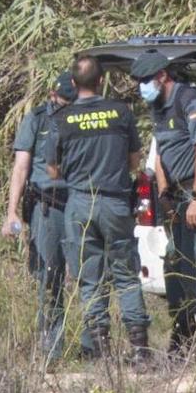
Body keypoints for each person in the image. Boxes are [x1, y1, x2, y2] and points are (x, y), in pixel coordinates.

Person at [46, 56, 150, 363]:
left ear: (74, 84)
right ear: (102, 80)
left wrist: (78, 175)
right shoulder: (121, 113)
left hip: (79, 203)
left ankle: (102, 353)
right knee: (126, 276)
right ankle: (141, 351)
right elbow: (134, 163)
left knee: (89, 279)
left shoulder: (61, 118)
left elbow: (52, 171)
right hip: (116, 202)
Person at [130, 52, 196, 355]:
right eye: (139, 82)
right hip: (176, 197)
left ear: (162, 76)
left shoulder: (191, 101)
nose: (142, 87)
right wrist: (163, 194)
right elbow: (160, 154)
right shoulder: (157, 106)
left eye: (146, 80)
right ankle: (184, 336)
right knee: (177, 266)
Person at [4, 72, 81, 361]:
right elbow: (21, 167)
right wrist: (12, 211)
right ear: (52, 95)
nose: (65, 105)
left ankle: (91, 346)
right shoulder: (36, 119)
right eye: (62, 100)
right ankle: (51, 348)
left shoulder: (83, 115)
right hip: (47, 205)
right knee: (49, 276)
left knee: (86, 274)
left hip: (80, 202)